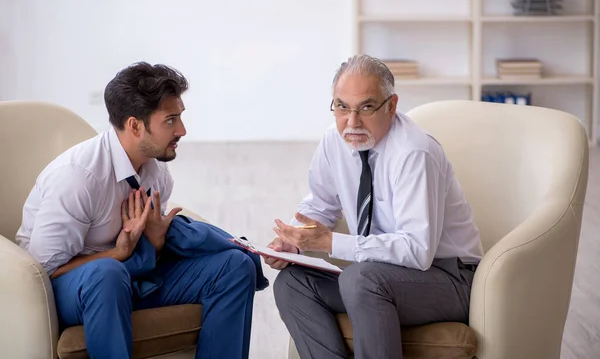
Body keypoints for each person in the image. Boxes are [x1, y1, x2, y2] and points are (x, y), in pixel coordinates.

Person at [15, 62, 266, 359]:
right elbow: (43, 273)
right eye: (170, 121)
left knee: (235, 267)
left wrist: (155, 243)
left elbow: (145, 251)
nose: (182, 130)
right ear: (135, 125)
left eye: (180, 118)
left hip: (131, 274)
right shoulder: (78, 178)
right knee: (107, 274)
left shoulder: (156, 170)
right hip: (76, 289)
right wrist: (117, 254)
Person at [265, 54, 484, 359]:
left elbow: (417, 251)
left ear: (391, 106)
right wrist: (294, 240)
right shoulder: (334, 141)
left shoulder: (414, 154)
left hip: (448, 279)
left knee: (361, 279)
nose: (352, 122)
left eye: (366, 107)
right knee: (293, 283)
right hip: (378, 275)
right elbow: (321, 204)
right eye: (342, 107)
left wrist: (329, 242)